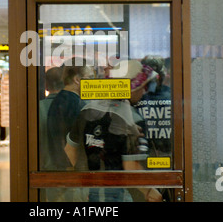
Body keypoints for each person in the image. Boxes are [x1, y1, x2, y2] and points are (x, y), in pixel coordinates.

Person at [65, 59, 162, 202]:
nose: (143, 91)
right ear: (132, 88)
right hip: (118, 193)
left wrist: (70, 186)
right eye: (143, 86)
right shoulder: (132, 119)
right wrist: (149, 190)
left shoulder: (86, 110)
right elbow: (130, 166)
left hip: (91, 191)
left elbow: (70, 151)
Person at [47, 59, 95, 171]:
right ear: (77, 80)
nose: (94, 82)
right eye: (91, 78)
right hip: (72, 170)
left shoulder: (61, 100)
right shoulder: (74, 104)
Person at [39, 67, 64, 170]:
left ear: (46, 85)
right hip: (72, 173)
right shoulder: (75, 105)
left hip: (45, 170)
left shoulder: (37, 109)